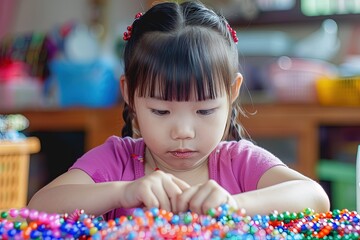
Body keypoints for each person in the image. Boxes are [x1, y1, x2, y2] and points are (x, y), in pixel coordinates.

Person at [28, 1, 330, 220]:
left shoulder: (239, 163)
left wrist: (236, 205)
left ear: (233, 93)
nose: (183, 131)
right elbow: (38, 206)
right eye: (161, 111)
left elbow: (314, 197)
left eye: (205, 111)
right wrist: (123, 192)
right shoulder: (116, 161)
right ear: (129, 94)